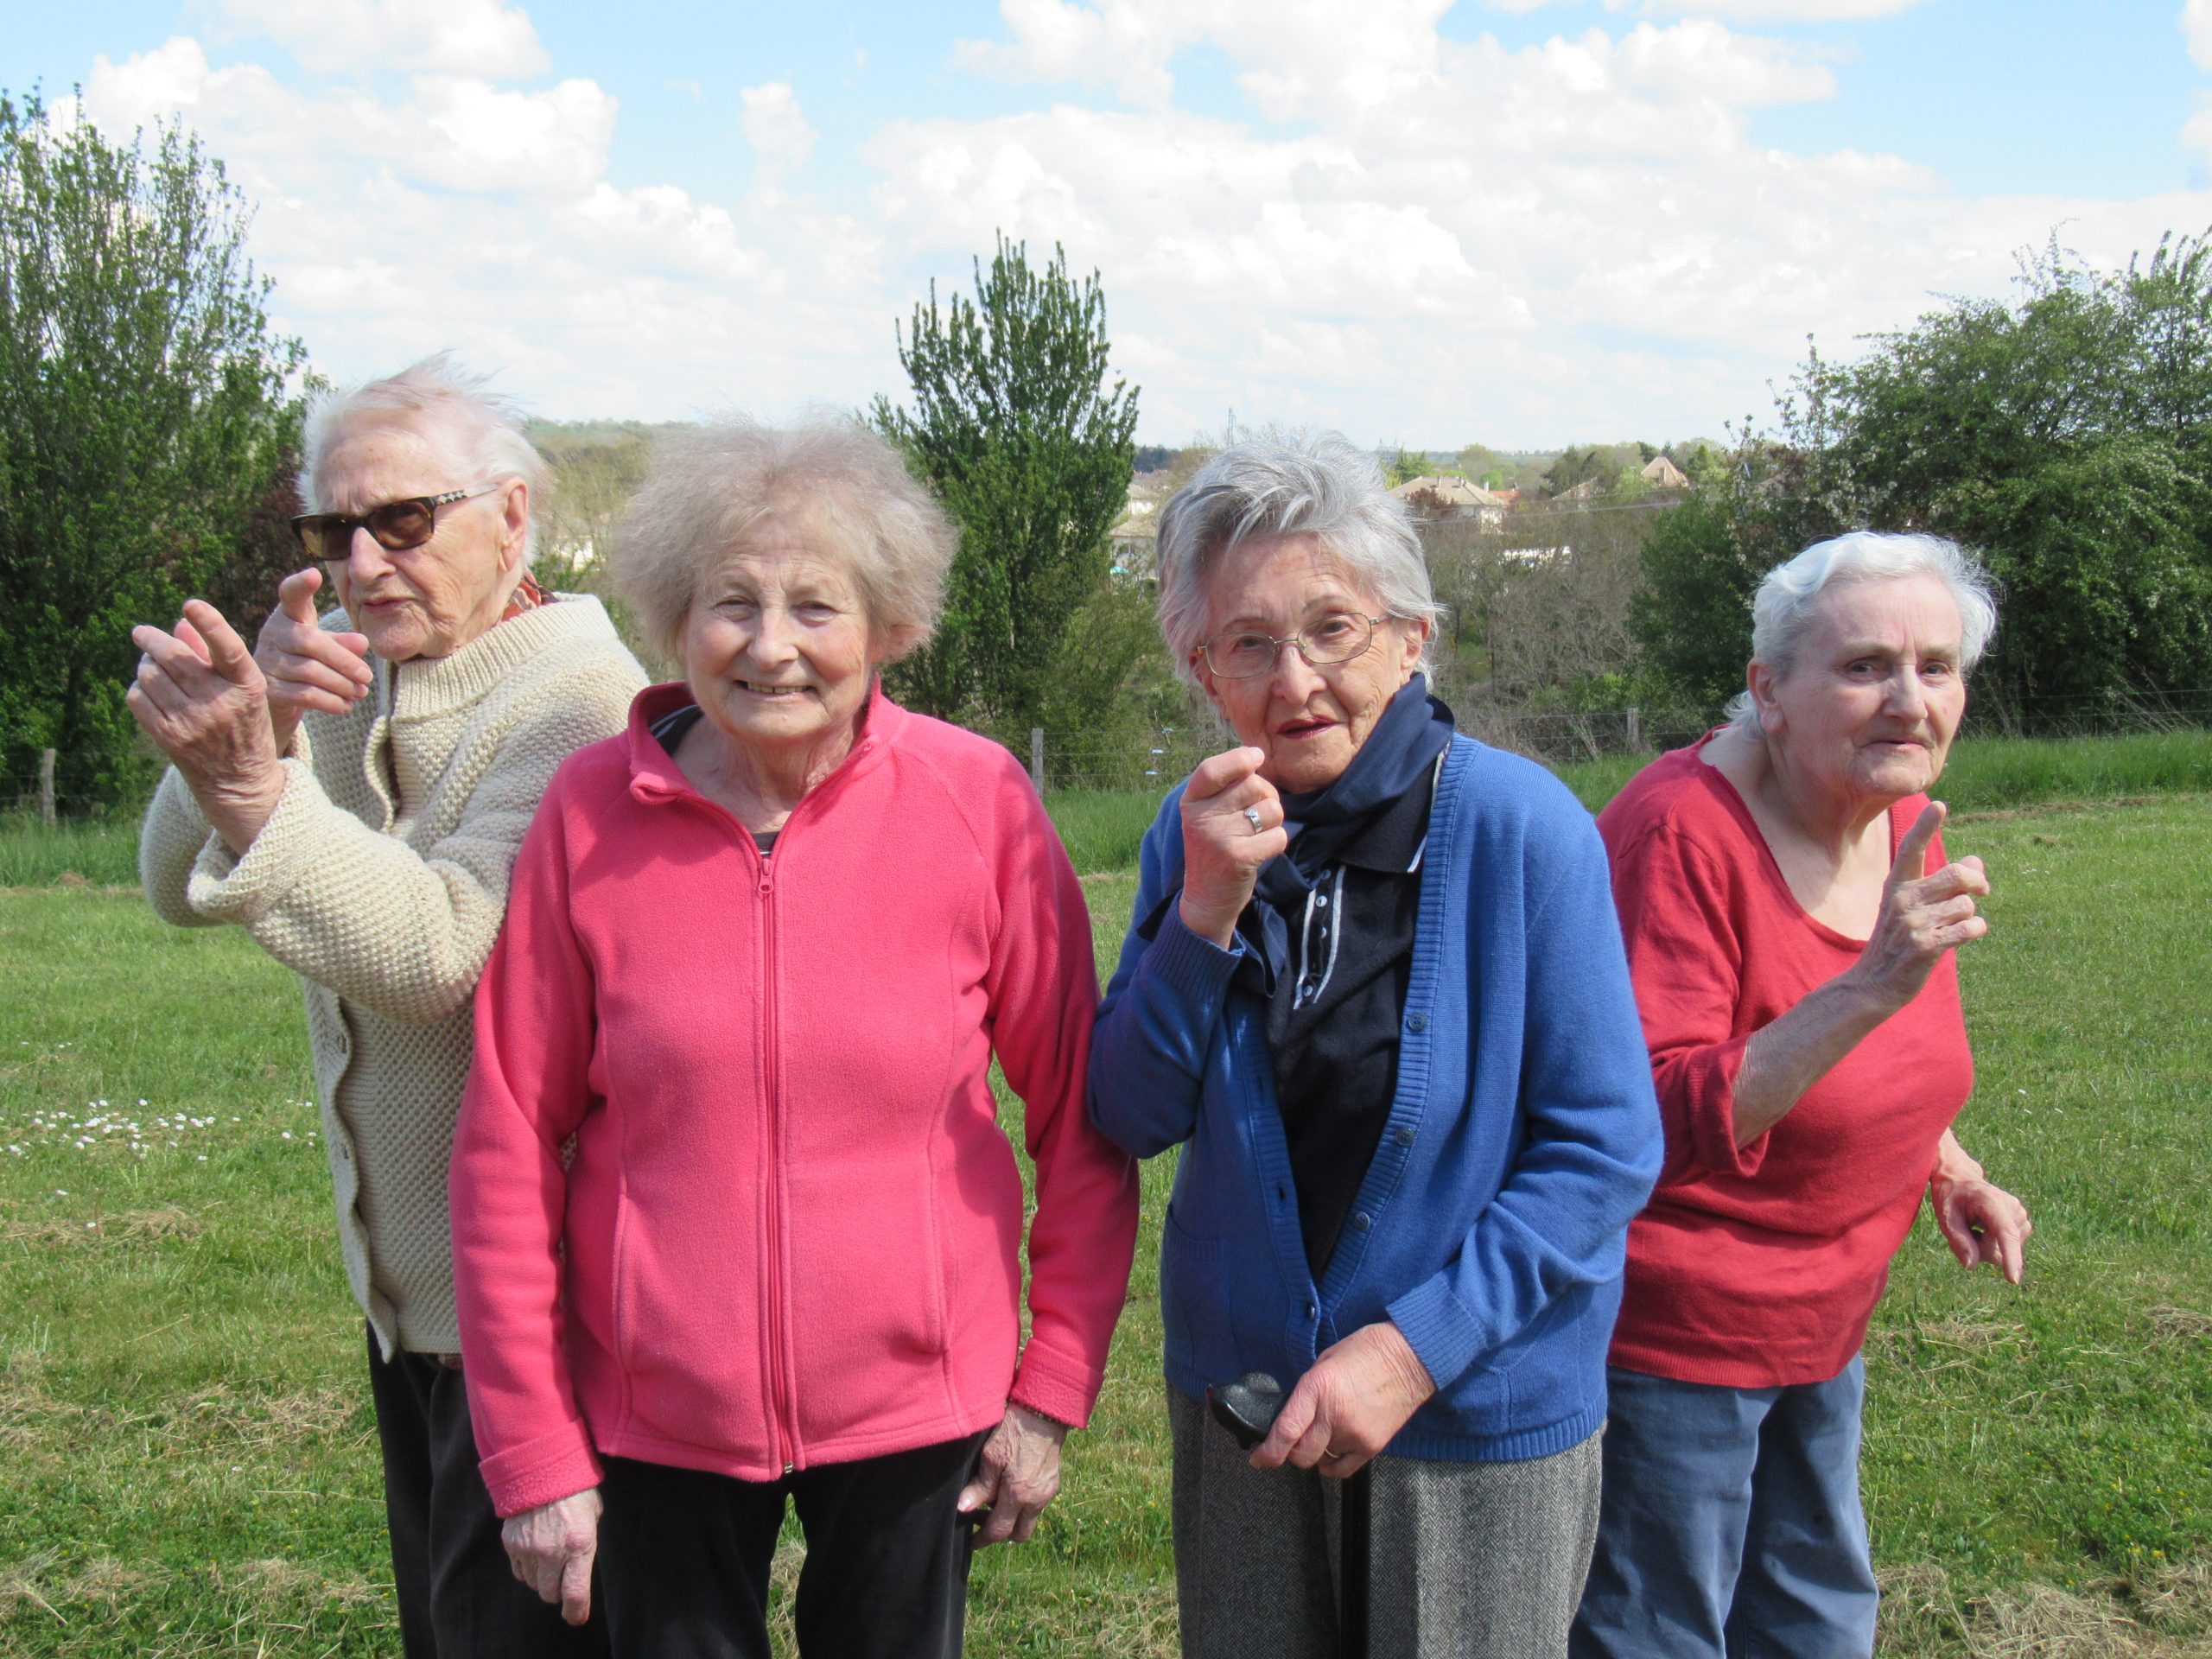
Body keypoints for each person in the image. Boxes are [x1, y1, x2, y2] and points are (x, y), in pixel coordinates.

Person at [448, 415, 1140, 1658]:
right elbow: (504, 1139)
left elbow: (1078, 1114)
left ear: (890, 627)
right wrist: (533, 1449)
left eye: (816, 607)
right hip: (654, 1413)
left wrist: (1051, 1391)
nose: (771, 647)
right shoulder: (586, 816)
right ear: (674, 619)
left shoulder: (979, 802)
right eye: (731, 604)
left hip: (918, 1413)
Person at [1087, 435, 1662, 1659]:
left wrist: (1410, 1355)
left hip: (1474, 1410)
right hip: (1248, 1406)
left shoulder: (1522, 830)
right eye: (1248, 643)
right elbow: (1131, 1113)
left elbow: (1603, 1152)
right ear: (1203, 670)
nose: (1294, 679)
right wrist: (1200, 914)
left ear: (1413, 637)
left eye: (1332, 629)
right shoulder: (1192, 834)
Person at [132, 354, 645, 1656]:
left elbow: (441, 953)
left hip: (544, 1325)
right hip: (420, 1310)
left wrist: (253, 786)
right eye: (334, 529)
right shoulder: (379, 673)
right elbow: (172, 890)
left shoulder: (582, 704)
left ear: (512, 517)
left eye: (403, 521)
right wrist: (243, 732)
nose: (365, 562)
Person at [1570, 531, 2034, 1659]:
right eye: (1866, 665)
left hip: (1826, 1319)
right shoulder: (1681, 831)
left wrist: (1949, 1162)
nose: (1907, 700)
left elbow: (1877, 1061)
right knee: (1658, 1633)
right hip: (1671, 1341)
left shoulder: (1892, 813)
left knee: (1816, 1618)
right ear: (1769, 692)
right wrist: (1869, 985)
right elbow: (1648, 1120)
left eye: (1936, 666)